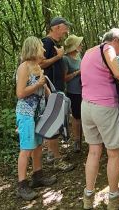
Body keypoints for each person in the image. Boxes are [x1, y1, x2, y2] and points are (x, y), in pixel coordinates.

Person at [80, 28, 119, 209]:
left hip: (86, 106)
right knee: (113, 153)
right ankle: (114, 199)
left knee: (93, 151)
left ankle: (88, 197)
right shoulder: (108, 49)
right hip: (105, 106)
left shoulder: (88, 51)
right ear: (116, 40)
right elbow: (118, 73)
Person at [15, 36, 57, 200]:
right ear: (34, 49)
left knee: (38, 145)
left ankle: (37, 175)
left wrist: (53, 97)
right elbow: (20, 93)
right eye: (41, 47)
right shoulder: (24, 67)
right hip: (26, 114)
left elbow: (45, 90)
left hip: (38, 113)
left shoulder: (38, 67)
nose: (44, 50)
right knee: (26, 148)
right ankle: (22, 185)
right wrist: (38, 85)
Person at [40, 17, 73, 171]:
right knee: (53, 123)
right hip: (50, 91)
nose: (66, 31)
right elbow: (40, 64)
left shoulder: (53, 43)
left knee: (54, 122)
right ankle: (56, 158)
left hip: (55, 89)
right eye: (65, 27)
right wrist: (58, 57)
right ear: (57, 27)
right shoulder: (46, 42)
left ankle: (51, 153)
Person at [63, 34, 84, 153]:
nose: (81, 46)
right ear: (74, 46)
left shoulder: (79, 56)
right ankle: (77, 141)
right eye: (79, 44)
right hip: (73, 91)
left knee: (83, 116)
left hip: (83, 90)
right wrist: (77, 73)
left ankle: (82, 139)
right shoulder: (66, 59)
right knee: (76, 117)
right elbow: (64, 78)